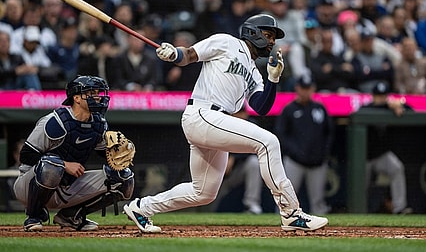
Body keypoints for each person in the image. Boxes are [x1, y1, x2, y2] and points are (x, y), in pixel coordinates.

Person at [123, 13, 328, 233]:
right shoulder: (227, 42)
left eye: (273, 38)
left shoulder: (254, 72)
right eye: (268, 35)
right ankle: (291, 212)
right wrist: (174, 53)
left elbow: (261, 107)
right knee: (268, 142)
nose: (271, 42)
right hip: (203, 113)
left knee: (203, 192)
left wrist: (273, 79)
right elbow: (189, 55)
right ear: (253, 32)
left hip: (214, 121)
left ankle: (141, 207)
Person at [13, 75, 135, 232]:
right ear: (76, 98)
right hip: (30, 187)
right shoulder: (55, 122)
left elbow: (104, 156)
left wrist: (118, 151)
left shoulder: (99, 124)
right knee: (53, 164)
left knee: (125, 178)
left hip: (67, 187)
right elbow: (26, 155)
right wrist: (64, 165)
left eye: (98, 93)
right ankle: (34, 215)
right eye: (91, 93)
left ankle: (71, 216)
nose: (97, 97)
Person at [274, 74, 333, 214]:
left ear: (313, 89)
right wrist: (293, 151)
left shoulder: (320, 109)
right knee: (286, 200)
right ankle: (279, 225)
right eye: (303, 88)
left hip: (317, 162)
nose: (305, 91)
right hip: (294, 162)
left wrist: (323, 153)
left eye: (308, 88)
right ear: (297, 88)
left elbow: (329, 133)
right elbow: (281, 135)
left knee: (318, 203)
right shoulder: (289, 110)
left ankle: (321, 232)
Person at [357, 81, 413, 214]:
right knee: (361, 185)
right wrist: (386, 105)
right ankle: (358, 211)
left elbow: (412, 110)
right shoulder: (366, 108)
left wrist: (400, 105)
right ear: (373, 96)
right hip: (363, 157)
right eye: (378, 96)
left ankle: (400, 208)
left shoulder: (390, 107)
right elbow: (359, 113)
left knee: (397, 167)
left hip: (381, 155)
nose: (380, 98)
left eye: (383, 96)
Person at [210, 106, 263, 215]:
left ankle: (252, 205)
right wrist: (224, 158)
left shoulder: (252, 126)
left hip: (239, 169)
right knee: (209, 200)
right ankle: (206, 211)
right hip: (221, 171)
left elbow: (254, 148)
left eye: (242, 113)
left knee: (253, 162)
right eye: (237, 113)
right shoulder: (223, 125)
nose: (240, 116)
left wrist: (234, 157)